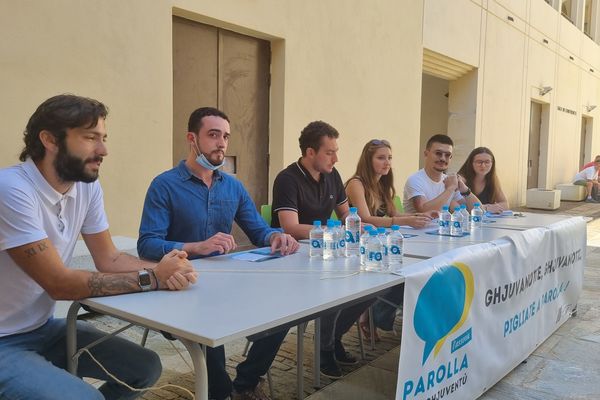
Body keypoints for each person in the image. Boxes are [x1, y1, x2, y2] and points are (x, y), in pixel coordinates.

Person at [0, 94, 198, 400]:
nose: (103, 150)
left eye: (103, 138)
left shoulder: (86, 186)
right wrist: (153, 278)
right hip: (3, 340)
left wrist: (170, 270)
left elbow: (110, 258)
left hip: (40, 328)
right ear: (49, 140)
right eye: (91, 138)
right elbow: (59, 284)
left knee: (144, 367)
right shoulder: (12, 189)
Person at [137, 107, 298, 400]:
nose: (221, 143)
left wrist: (276, 236)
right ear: (192, 138)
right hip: (181, 289)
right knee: (216, 381)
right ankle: (222, 390)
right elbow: (147, 244)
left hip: (225, 284)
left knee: (286, 313)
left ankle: (247, 380)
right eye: (213, 135)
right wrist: (194, 247)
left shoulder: (233, 186)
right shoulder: (165, 185)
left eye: (225, 136)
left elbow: (258, 230)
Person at [271, 120, 372, 379]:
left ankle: (334, 337)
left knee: (372, 284)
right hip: (291, 258)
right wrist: (333, 231)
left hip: (326, 252)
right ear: (310, 153)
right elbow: (290, 227)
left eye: (336, 151)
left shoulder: (332, 175)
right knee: (334, 288)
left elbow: (346, 214)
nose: (336, 158)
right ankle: (325, 350)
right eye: (330, 152)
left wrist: (358, 226)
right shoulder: (287, 178)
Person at [344, 139, 437, 340]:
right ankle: (373, 315)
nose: (387, 163)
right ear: (367, 160)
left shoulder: (383, 185)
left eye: (389, 158)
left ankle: (377, 315)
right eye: (381, 158)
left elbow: (396, 215)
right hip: (361, 246)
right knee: (400, 270)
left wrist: (419, 217)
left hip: (382, 243)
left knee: (412, 269)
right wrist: (405, 220)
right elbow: (365, 218)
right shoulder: (356, 183)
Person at [403, 134, 480, 214]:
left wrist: (465, 190)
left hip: (442, 226)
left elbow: (477, 211)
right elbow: (424, 210)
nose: (443, 158)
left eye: (447, 155)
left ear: (451, 158)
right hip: (418, 226)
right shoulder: (415, 180)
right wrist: (450, 188)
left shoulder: (449, 180)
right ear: (426, 154)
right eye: (438, 153)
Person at [457, 147, 509, 213]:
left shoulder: (492, 179)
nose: (483, 166)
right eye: (479, 162)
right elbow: (457, 207)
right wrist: (485, 208)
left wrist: (485, 207)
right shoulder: (461, 179)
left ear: (492, 164)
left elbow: (505, 204)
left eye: (487, 162)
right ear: (471, 163)